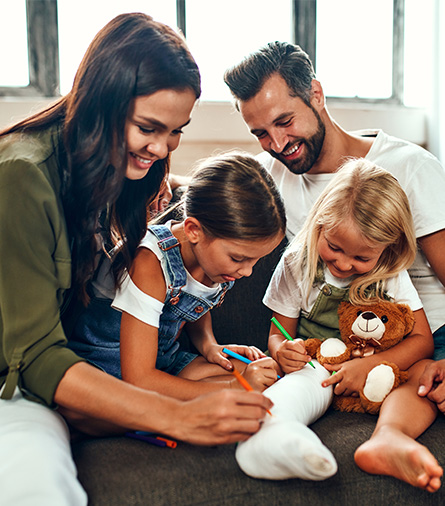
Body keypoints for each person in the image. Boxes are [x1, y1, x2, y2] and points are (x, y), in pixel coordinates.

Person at [0, 14, 272, 505]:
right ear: (102, 103)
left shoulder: (124, 172)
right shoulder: (21, 176)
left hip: (62, 377)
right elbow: (37, 357)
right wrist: (175, 414)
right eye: (149, 127)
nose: (162, 147)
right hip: (16, 384)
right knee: (37, 489)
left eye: (176, 131)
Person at [224, 41, 445, 364]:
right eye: (261, 133)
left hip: (426, 339)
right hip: (329, 348)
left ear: (316, 94)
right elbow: (211, 192)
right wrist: (164, 183)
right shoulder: (267, 177)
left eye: (285, 121)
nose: (278, 144)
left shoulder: (411, 166)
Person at [234, 159, 442, 492]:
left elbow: (422, 341)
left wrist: (371, 365)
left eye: (362, 259)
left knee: (425, 372)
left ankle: (389, 437)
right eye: (333, 247)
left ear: (388, 249)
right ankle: (276, 434)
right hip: (321, 369)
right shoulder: (297, 262)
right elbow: (277, 332)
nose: (344, 264)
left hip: (381, 372)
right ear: (319, 224)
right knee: (302, 382)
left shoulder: (390, 271)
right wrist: (281, 349)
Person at [69, 151, 285, 396]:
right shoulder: (149, 262)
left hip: (165, 364)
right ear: (194, 230)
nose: (247, 271)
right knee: (244, 385)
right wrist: (236, 386)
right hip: (108, 371)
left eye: (256, 260)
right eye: (239, 258)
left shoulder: (215, 263)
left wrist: (209, 345)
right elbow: (138, 379)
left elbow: (194, 303)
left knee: (264, 373)